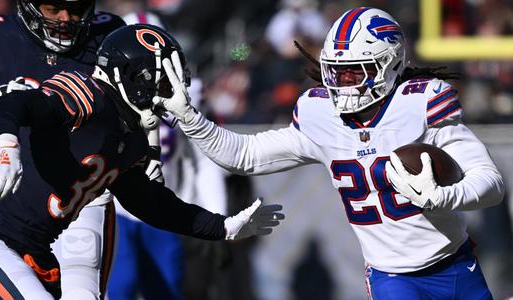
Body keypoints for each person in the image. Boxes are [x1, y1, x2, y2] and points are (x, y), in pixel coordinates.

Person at [156, 7, 505, 300]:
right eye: (336, 71)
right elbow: (245, 155)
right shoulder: (320, 115)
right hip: (392, 276)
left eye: (356, 70)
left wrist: (443, 196)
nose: (343, 82)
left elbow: (490, 182)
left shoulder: (419, 104)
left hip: (456, 264)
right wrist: (191, 119)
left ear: (391, 64)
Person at [0, 23, 284, 299]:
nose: (172, 95)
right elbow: (14, 101)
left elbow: (150, 202)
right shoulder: (89, 94)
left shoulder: (131, 137)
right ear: (134, 79)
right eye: (164, 84)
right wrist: (7, 144)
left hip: (32, 248)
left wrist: (224, 226)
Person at [0, 1, 127, 298]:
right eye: (53, 7)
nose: (65, 19)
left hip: (79, 201)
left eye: (75, 9)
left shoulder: (109, 35)